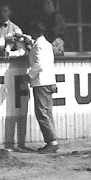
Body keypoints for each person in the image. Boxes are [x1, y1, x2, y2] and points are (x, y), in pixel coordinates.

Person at [25, 21, 59, 153]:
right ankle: (52, 140)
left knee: (42, 113)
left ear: (35, 32)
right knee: (47, 112)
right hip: (49, 81)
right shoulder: (45, 44)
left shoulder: (39, 46)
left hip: (41, 82)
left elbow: (39, 64)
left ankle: (52, 142)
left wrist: (29, 76)